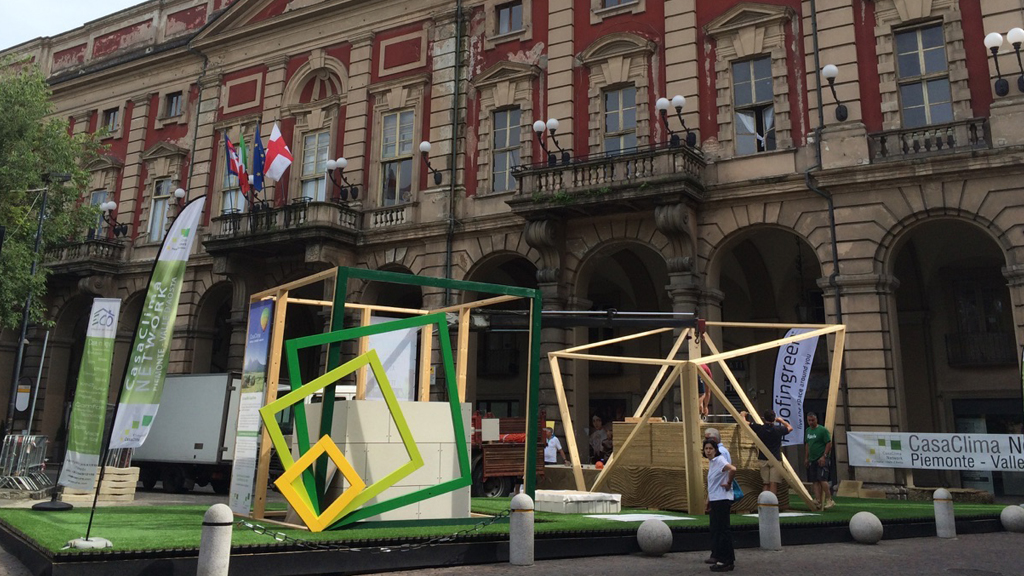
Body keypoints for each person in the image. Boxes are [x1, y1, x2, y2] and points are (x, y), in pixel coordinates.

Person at [741, 409, 792, 496]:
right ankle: (772, 503)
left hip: (763, 458)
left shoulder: (760, 428)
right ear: (774, 418)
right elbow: (790, 428)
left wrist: (742, 415)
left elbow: (745, 423)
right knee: (773, 483)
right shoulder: (778, 429)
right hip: (775, 459)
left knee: (766, 483)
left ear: (764, 418)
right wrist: (781, 421)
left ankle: (764, 502)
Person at [703, 438, 736, 572]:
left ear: (715, 450)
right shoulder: (712, 463)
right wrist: (708, 500)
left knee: (723, 531)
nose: (708, 451)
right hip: (716, 499)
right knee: (718, 529)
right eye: (706, 449)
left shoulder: (720, 460)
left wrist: (729, 483)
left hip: (722, 499)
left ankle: (726, 560)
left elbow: (733, 469)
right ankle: (724, 558)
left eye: (711, 448)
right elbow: (712, 484)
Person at [804, 412, 835, 510]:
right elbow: (808, 445)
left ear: (816, 420)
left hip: (821, 458)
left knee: (822, 479)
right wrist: (806, 457)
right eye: (809, 420)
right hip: (812, 459)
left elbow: (828, 443)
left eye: (813, 420)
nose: (811, 422)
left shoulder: (822, 430)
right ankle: (818, 500)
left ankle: (829, 499)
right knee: (815, 480)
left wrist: (824, 456)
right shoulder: (808, 431)